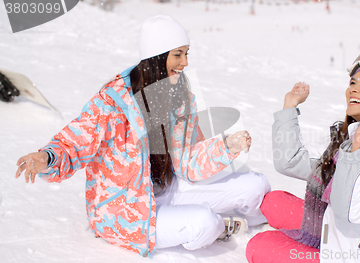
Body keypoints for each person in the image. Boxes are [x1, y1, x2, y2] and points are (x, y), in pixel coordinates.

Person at [15, 14, 270, 257]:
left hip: (167, 188)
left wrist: (225, 146)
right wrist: (47, 158)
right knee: (204, 223)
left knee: (256, 185)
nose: (185, 63)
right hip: (125, 211)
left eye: (186, 53)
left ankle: (268, 223)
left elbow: (189, 161)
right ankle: (217, 228)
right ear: (157, 57)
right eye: (178, 55)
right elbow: (75, 141)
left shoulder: (179, 96)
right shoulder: (112, 103)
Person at [246, 50, 360, 263]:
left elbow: (352, 210)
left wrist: (356, 149)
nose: (354, 88)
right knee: (273, 201)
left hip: (350, 257)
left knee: (259, 247)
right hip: (334, 227)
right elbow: (290, 161)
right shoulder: (351, 135)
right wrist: (289, 107)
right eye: (353, 82)